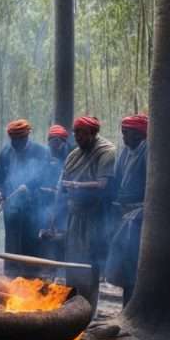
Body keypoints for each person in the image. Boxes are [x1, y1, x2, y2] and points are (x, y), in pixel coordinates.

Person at [59, 116, 116, 316]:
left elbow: (103, 185)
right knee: (71, 260)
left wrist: (76, 185)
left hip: (95, 217)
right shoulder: (74, 155)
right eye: (75, 133)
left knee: (88, 262)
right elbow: (63, 183)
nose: (77, 137)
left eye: (81, 133)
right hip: (74, 215)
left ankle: (87, 311)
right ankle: (71, 308)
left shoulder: (106, 152)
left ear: (93, 133)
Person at [0, 119, 49, 277]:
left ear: (26, 137)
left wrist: (29, 187)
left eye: (19, 140)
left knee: (31, 243)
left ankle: (31, 279)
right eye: (13, 140)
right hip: (11, 207)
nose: (16, 144)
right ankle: (11, 280)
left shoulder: (41, 152)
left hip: (33, 207)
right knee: (11, 243)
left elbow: (45, 177)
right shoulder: (5, 152)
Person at [106, 115, 149, 306]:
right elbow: (116, 179)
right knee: (122, 258)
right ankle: (127, 303)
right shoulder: (124, 151)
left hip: (139, 214)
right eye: (123, 133)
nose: (124, 137)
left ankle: (132, 304)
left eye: (127, 133)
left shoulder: (148, 152)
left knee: (133, 260)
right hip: (123, 212)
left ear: (140, 134)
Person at [38, 125, 71, 264]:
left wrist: (60, 193)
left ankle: (62, 266)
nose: (54, 147)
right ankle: (48, 265)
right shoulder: (45, 156)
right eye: (52, 143)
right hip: (48, 202)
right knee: (47, 234)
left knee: (63, 235)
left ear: (64, 143)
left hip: (66, 204)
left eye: (58, 144)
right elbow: (40, 178)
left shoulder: (72, 156)